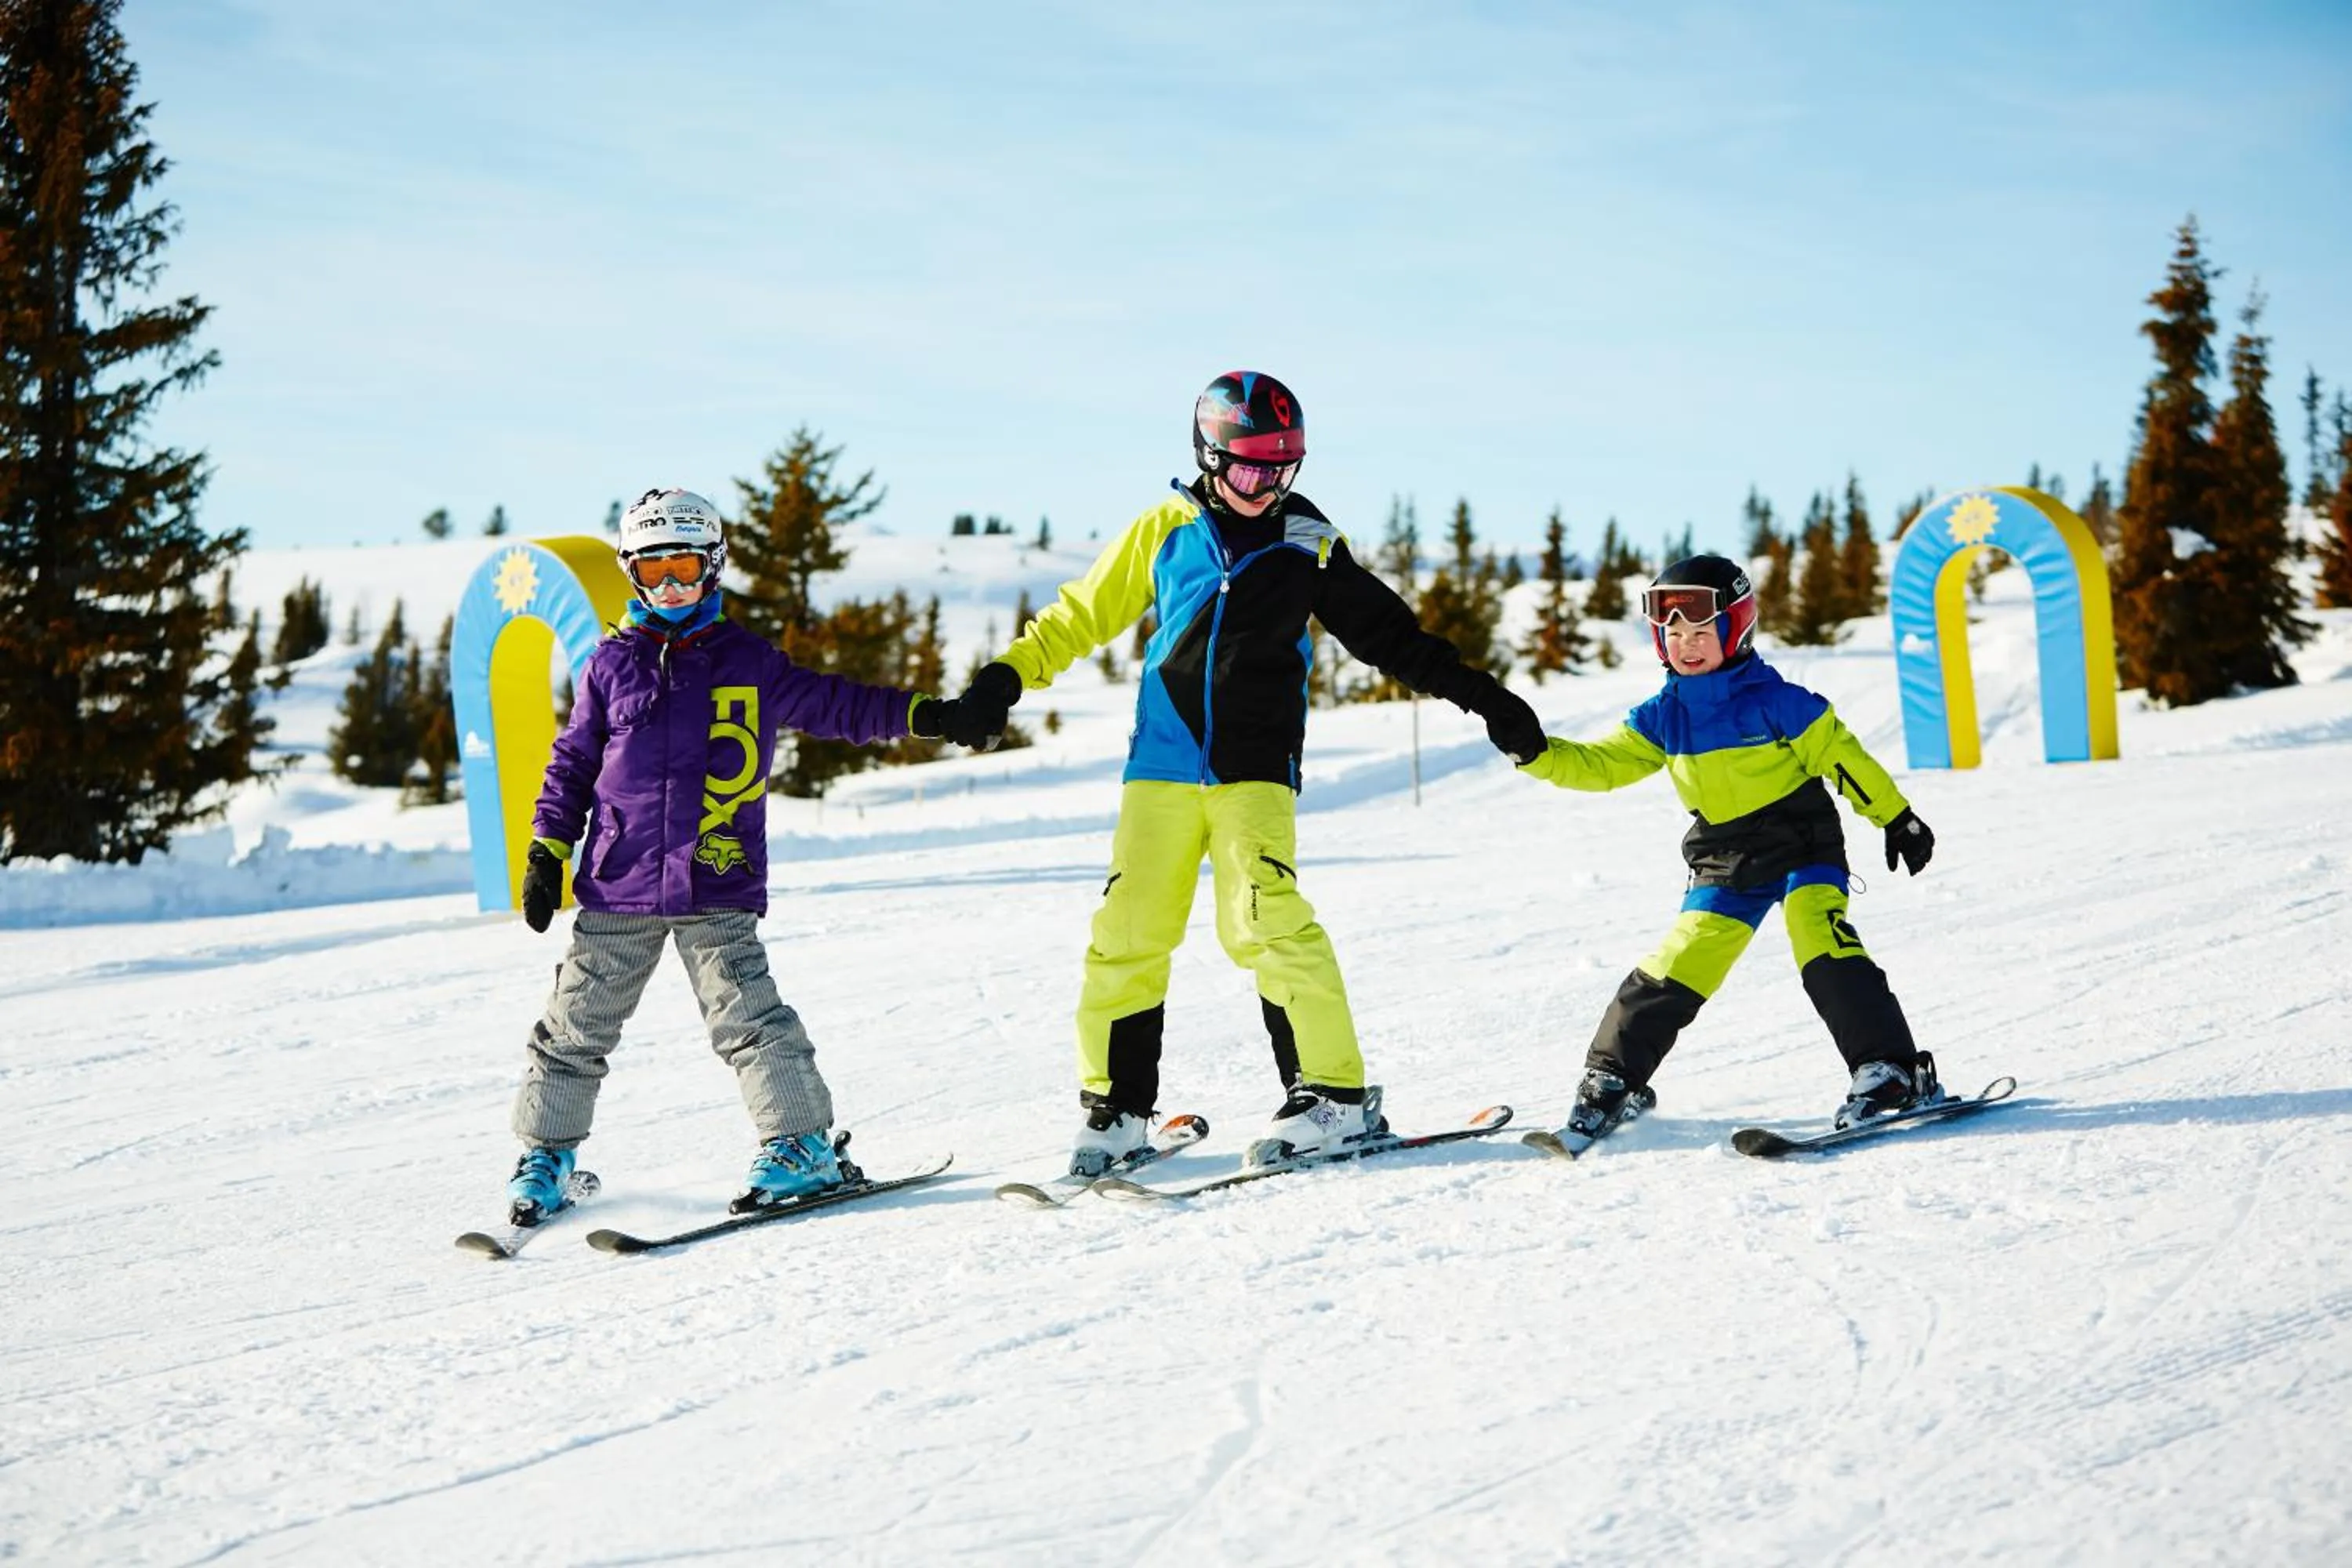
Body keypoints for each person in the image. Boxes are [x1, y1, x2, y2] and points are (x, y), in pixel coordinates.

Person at [930, 371, 1542, 1175]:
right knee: (1127, 933)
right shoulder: (1165, 530)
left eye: (1282, 470)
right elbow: (1078, 616)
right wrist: (1000, 682)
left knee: (1264, 921)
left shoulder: (1309, 542)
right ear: (1210, 457)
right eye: (1251, 470)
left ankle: (1333, 1096)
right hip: (1160, 765)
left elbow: (1391, 638)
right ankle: (1116, 1110)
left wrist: (1486, 697)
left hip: (1255, 767)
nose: (1267, 488)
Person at [501, 487, 975, 1224]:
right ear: (630, 573)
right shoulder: (610, 665)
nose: (670, 587)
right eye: (653, 571)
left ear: (714, 565)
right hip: (620, 883)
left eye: (684, 569)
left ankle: (801, 1145)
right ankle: (545, 1156)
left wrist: (930, 714)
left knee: (749, 1018)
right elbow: (572, 763)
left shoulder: (749, 661)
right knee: (573, 1026)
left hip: (716, 877)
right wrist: (547, 847)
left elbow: (839, 705)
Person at [1513, 553, 1941, 1147]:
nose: (1686, 645)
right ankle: (1613, 1079)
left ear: (1735, 629)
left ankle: (1890, 1071)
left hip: (1803, 846)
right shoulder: (1663, 717)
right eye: (1673, 635)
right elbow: (1600, 766)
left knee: (1819, 939)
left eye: (1701, 632)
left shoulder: (1780, 702)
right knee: (1682, 957)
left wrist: (1896, 818)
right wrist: (1535, 752)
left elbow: (1846, 761)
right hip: (1724, 856)